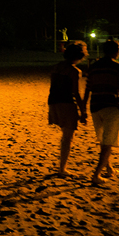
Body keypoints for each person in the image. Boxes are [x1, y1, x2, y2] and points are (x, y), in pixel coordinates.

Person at [83, 39, 119, 186]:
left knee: (103, 140)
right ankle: (96, 174)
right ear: (115, 51)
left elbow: (88, 88)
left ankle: (109, 168)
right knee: (108, 142)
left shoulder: (93, 67)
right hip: (111, 105)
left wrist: (83, 108)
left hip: (95, 106)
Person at [48, 40, 88, 177]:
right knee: (67, 138)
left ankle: (62, 168)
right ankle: (62, 169)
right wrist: (83, 111)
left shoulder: (56, 67)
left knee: (65, 135)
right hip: (66, 103)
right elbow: (76, 93)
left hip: (53, 101)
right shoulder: (75, 71)